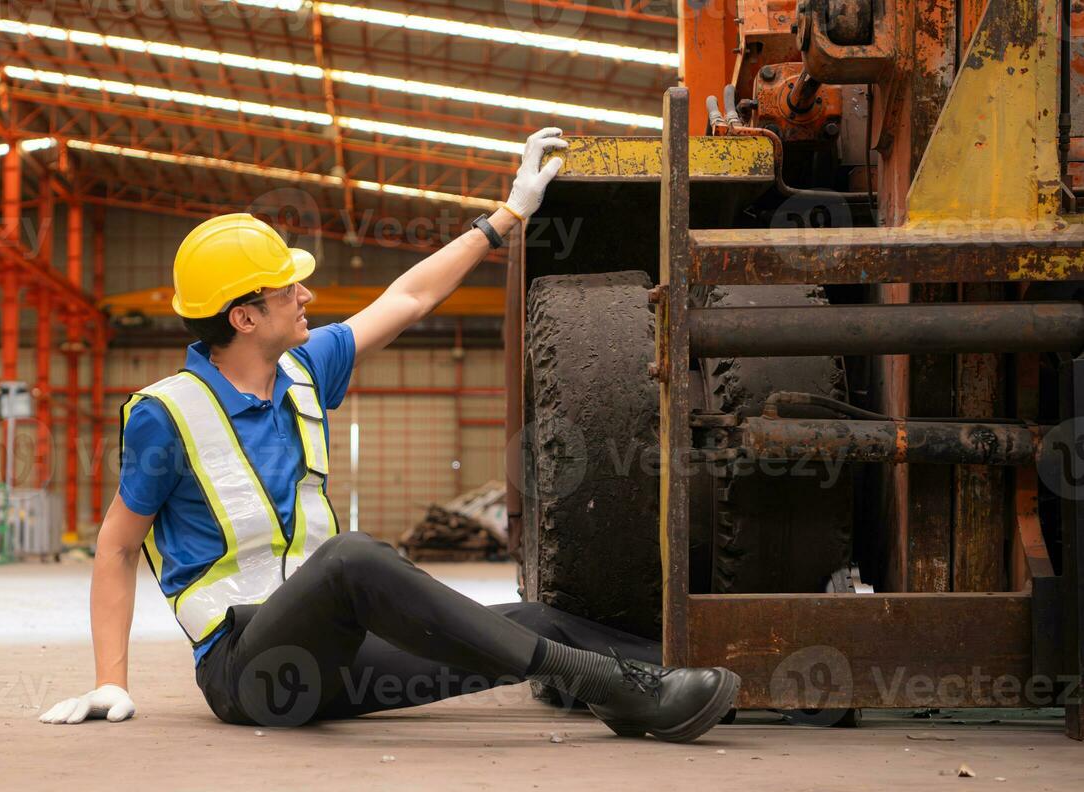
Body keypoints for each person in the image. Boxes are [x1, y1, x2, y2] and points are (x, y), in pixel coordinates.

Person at [40, 128, 739, 741]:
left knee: (536, 619)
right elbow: (117, 543)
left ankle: (675, 680)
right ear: (243, 318)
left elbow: (407, 297)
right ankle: (619, 688)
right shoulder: (169, 413)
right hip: (253, 675)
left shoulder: (304, 369)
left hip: (337, 658)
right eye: (288, 290)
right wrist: (112, 681)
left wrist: (509, 214)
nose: (305, 295)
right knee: (351, 558)